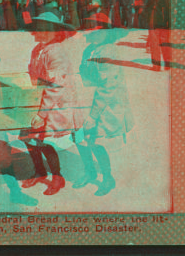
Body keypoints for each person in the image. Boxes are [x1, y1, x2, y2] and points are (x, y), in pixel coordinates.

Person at [19, 12, 84, 196]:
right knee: (28, 137)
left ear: (51, 32)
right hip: (38, 100)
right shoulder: (38, 49)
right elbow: (33, 75)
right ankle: (39, 172)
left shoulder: (56, 52)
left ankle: (57, 177)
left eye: (39, 30)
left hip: (54, 104)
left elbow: (55, 86)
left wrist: (41, 114)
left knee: (44, 141)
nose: (34, 33)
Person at [75, 13, 134, 195]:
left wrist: (93, 116)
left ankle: (108, 178)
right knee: (78, 136)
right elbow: (83, 72)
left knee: (95, 141)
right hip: (88, 98)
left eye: (96, 31)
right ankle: (90, 172)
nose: (91, 35)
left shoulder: (108, 51)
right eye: (90, 32)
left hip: (106, 104)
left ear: (106, 32)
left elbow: (107, 87)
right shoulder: (91, 49)